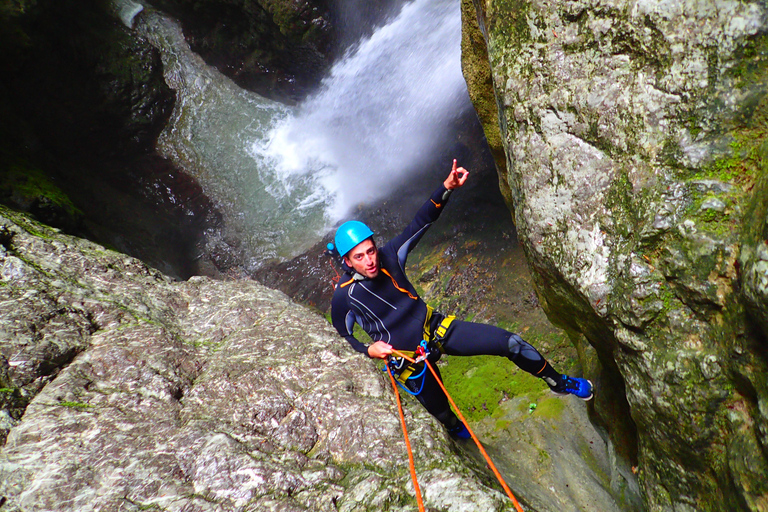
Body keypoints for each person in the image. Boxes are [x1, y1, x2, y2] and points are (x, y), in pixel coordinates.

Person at [330, 160, 593, 439]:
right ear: (347, 261)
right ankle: (457, 431)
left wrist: (447, 188)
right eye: (360, 257)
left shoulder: (390, 257)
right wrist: (369, 350)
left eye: (370, 251)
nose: (370, 260)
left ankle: (558, 382)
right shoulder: (344, 297)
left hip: (437, 329)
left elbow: (421, 222)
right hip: (409, 361)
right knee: (442, 413)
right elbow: (342, 340)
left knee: (512, 344)